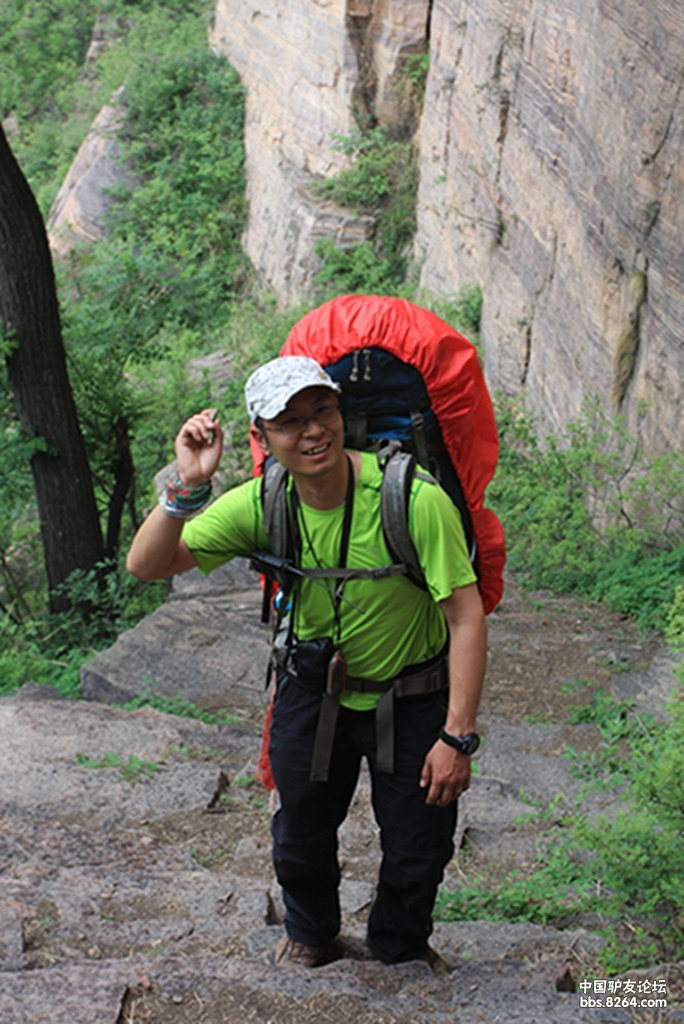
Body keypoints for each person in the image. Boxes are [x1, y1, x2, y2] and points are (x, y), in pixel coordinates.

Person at [127, 355, 487, 970]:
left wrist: (456, 735)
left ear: (341, 413)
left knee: (418, 845)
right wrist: (187, 485)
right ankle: (312, 934)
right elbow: (148, 565)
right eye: (289, 422)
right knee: (299, 836)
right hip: (312, 691)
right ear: (263, 438)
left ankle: (399, 948)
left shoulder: (412, 500)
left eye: (322, 411)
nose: (312, 430)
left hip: (413, 695)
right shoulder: (261, 503)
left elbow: (464, 615)